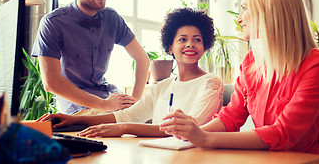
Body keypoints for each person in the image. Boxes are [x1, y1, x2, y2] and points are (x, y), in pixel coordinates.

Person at [159, 0, 319, 164]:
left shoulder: (318, 64)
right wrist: (193, 133)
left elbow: (285, 133)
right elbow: (231, 117)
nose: (239, 19)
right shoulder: (250, 62)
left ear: (268, 12)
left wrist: (204, 138)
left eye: (244, 8)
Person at [38, 7, 224, 137]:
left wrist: (124, 128)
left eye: (197, 40)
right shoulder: (163, 86)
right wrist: (72, 119)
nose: (190, 44)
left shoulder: (211, 83)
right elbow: (126, 115)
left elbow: (191, 128)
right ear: (170, 47)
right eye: (182, 39)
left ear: (205, 45)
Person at [31, 0, 150, 115]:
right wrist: (104, 105)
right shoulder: (53, 23)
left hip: (108, 96)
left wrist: (134, 101)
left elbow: (142, 59)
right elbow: (51, 82)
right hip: (77, 105)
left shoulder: (112, 18)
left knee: (155, 118)